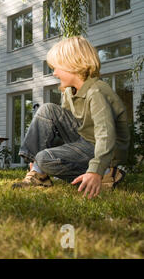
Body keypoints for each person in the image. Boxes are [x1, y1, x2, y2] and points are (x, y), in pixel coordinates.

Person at [12, 36, 130, 199]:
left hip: (106, 149)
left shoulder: (96, 92)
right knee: (47, 110)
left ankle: (106, 172)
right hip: (85, 140)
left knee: (44, 158)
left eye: (57, 68)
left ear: (74, 65)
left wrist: (95, 169)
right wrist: (44, 154)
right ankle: (38, 174)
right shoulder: (69, 91)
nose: (54, 73)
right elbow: (59, 130)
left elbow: (106, 135)